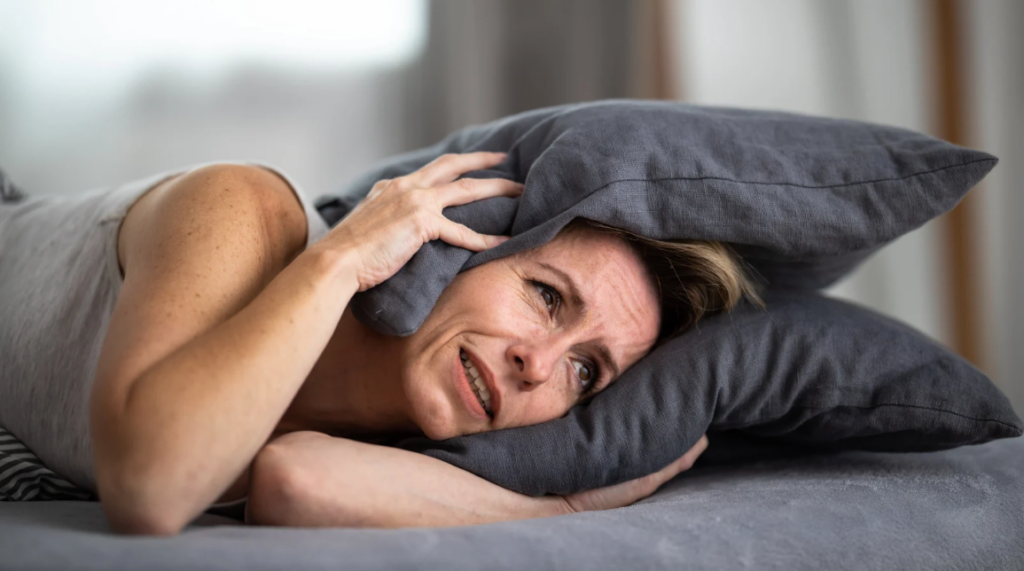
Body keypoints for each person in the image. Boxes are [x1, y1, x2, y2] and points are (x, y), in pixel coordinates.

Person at [0, 152, 759, 535]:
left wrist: (562, 507)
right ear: (463, 246)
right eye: (546, 295)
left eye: (585, 371)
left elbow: (294, 479)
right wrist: (345, 256)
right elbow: (150, 483)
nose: (537, 364)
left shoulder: (409, 438)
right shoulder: (245, 212)